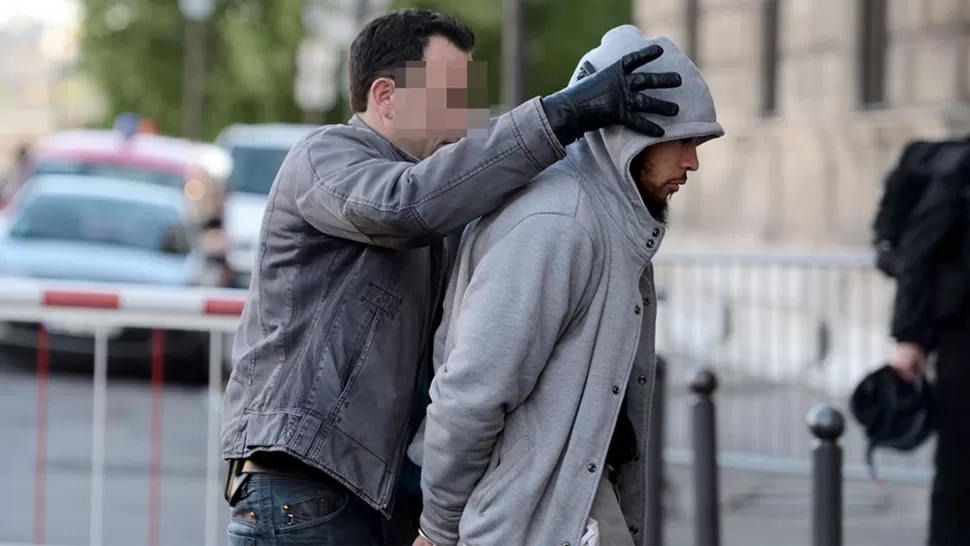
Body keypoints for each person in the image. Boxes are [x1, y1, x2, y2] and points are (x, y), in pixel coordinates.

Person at [220, 8, 684, 546]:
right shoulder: (324, 157)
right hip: (304, 489)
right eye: (448, 95)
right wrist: (564, 115)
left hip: (375, 493)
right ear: (385, 95)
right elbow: (406, 205)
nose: (464, 117)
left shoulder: (446, 196)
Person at [410, 25, 724, 546]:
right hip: (525, 522)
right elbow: (472, 395)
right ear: (632, 135)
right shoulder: (560, 224)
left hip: (566, 516)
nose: (692, 162)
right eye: (683, 140)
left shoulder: (611, 216)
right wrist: (439, 527)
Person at [886, 139, 970, 546]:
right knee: (958, 465)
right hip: (961, 338)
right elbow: (919, 248)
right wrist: (908, 338)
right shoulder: (960, 169)